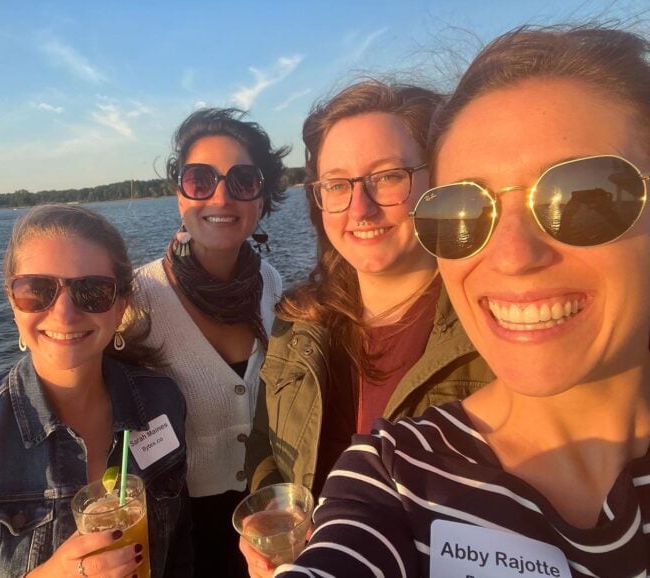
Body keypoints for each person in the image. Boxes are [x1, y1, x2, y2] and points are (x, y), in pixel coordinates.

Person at [276, 25, 650, 577]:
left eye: (581, 195)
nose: (513, 255)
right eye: (466, 206)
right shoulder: (301, 331)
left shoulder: (470, 342)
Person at [242, 79, 493, 577]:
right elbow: (264, 443)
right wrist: (270, 518)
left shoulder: (492, 329)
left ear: (437, 182)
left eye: (388, 177)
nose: (360, 208)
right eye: (338, 184)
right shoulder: (299, 320)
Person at [0, 205, 192, 578]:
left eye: (92, 291)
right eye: (37, 290)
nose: (63, 313)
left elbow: (179, 551)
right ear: (13, 301)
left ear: (121, 304)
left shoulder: (161, 402)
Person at [124, 108, 287, 577]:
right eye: (200, 180)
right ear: (179, 196)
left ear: (261, 199)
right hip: (177, 532)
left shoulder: (271, 286)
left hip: (265, 519)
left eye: (242, 180)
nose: (221, 196)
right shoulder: (138, 302)